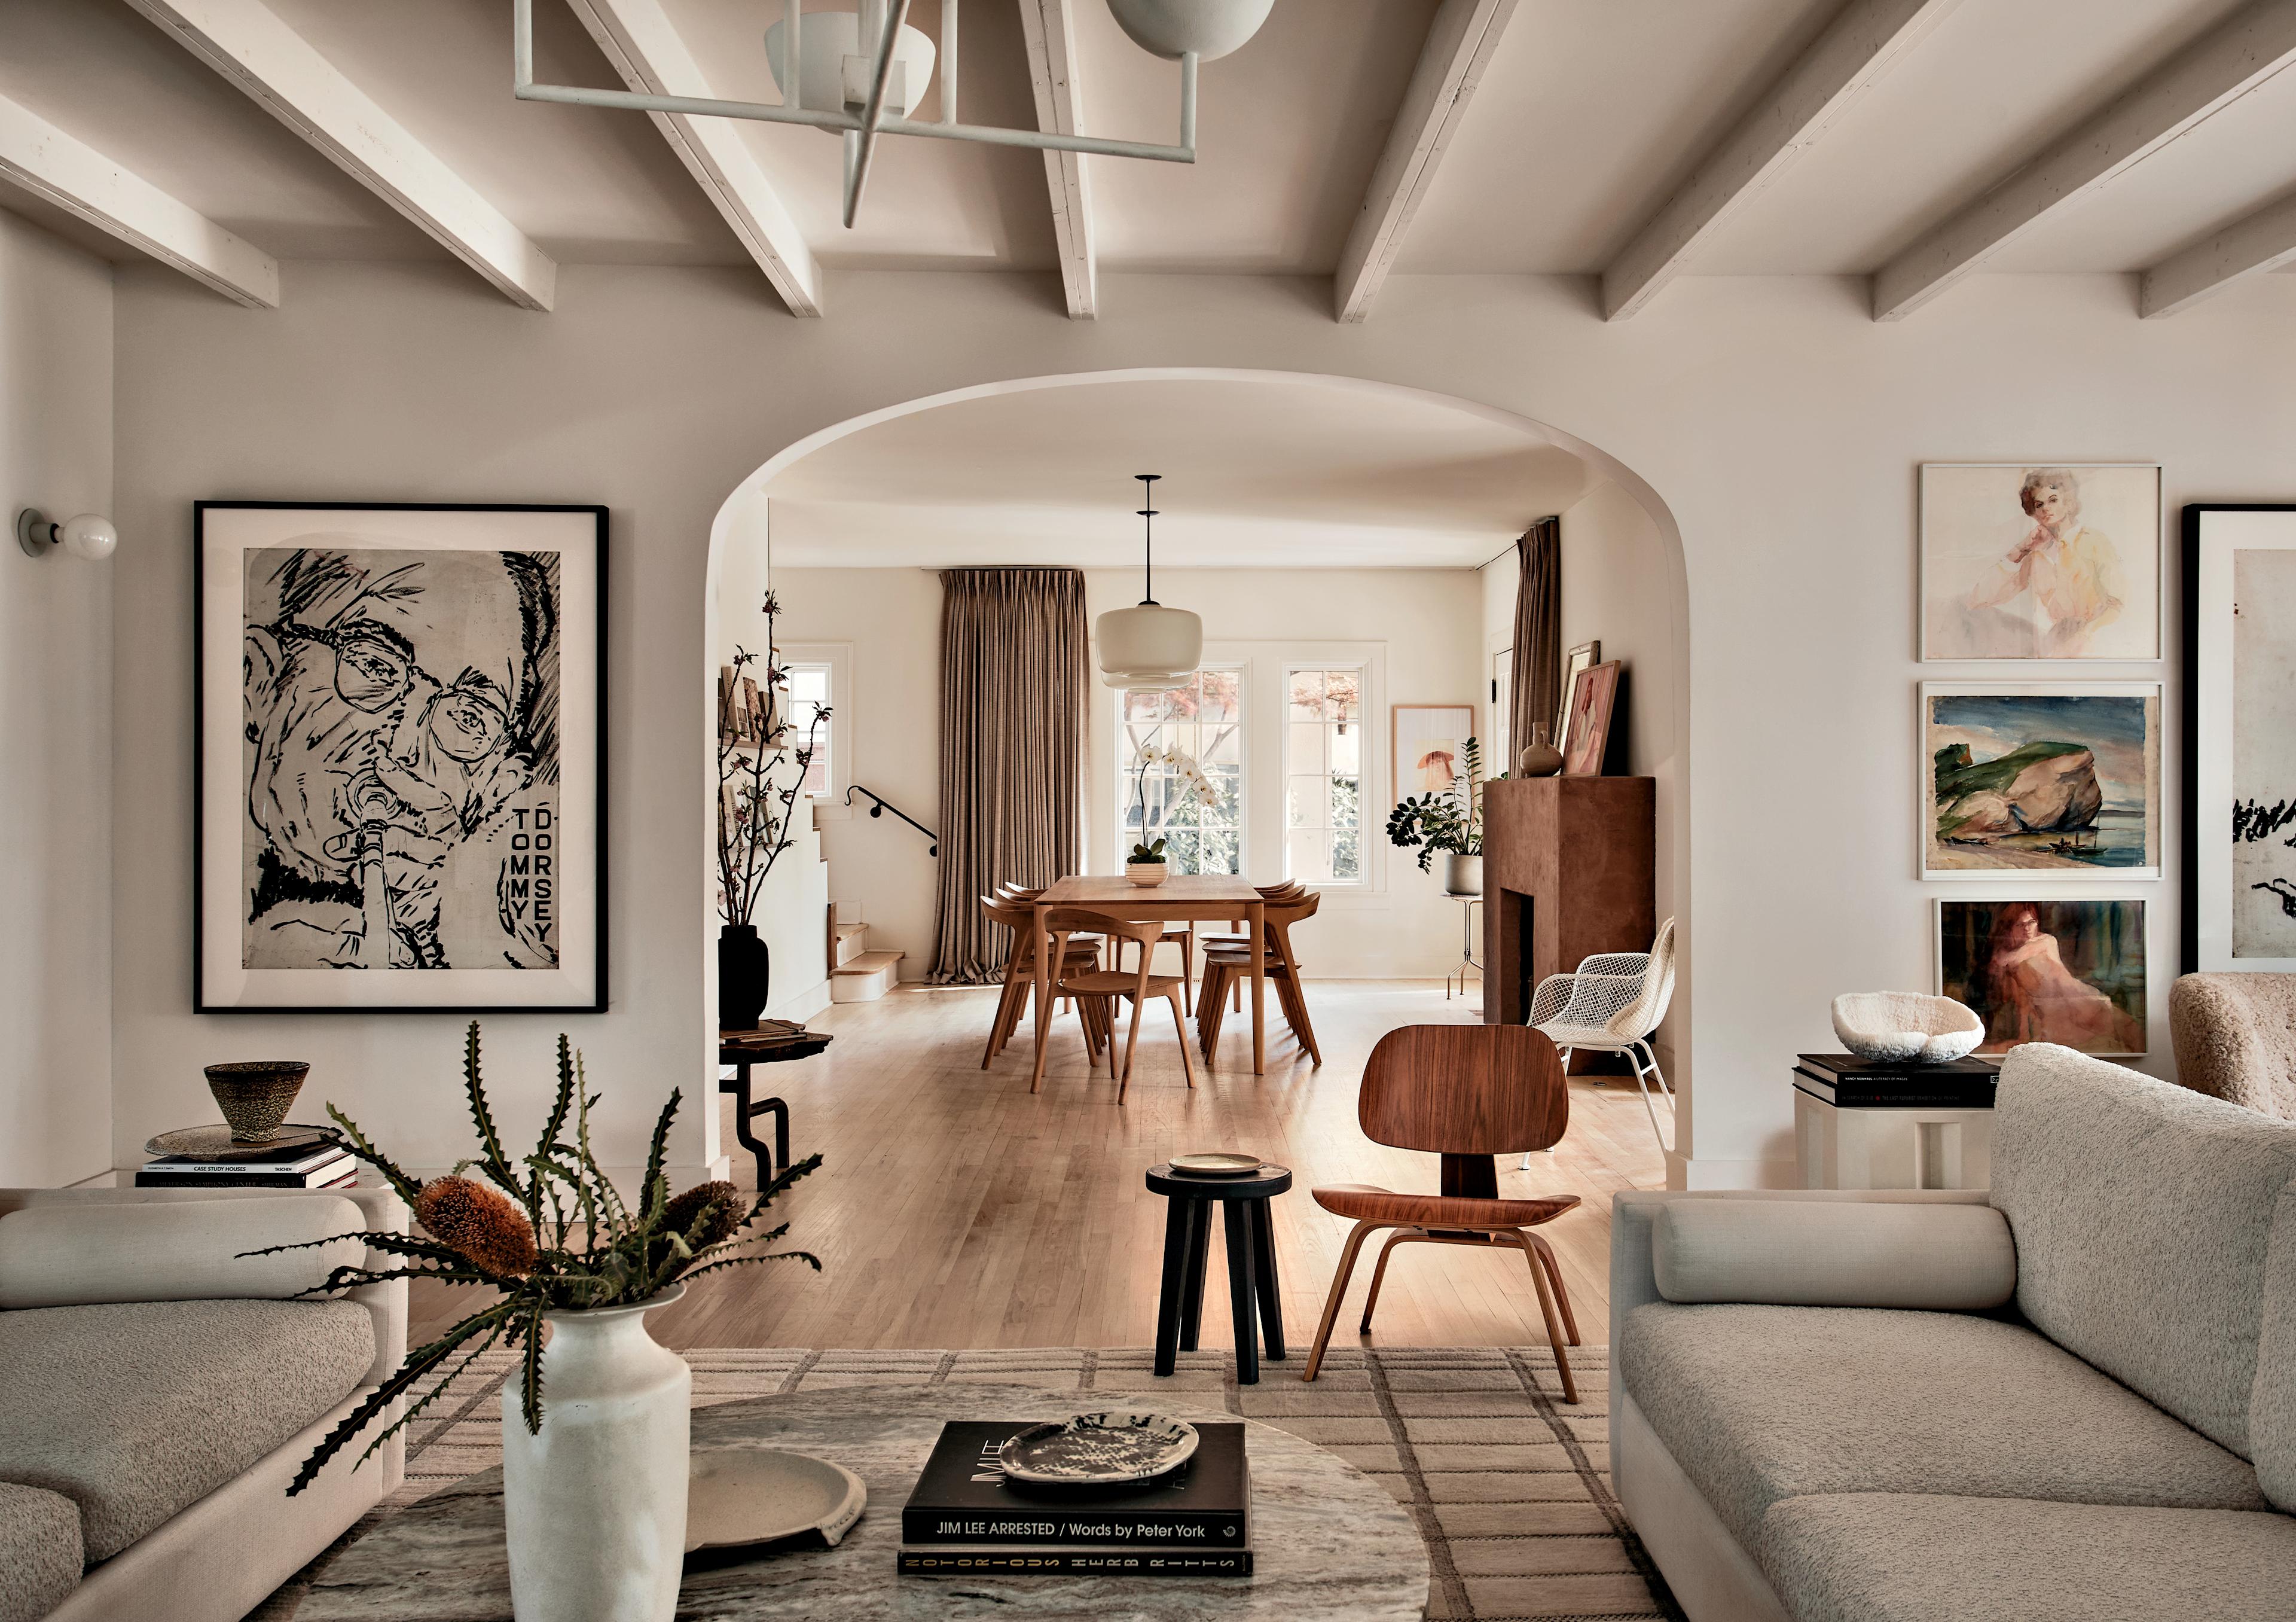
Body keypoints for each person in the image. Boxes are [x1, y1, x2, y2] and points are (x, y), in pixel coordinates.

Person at [1959, 468, 2126, 657]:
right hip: (2054, 645)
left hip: (2098, 641)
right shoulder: (2036, 553)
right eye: (2039, 504)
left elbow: (2117, 604)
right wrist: (2021, 549)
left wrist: (2085, 634)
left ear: (2069, 503)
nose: (2046, 509)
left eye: (2053, 500)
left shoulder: (2094, 541)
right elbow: (1980, 598)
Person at [1977, 903, 2143, 1053]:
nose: (2027, 929)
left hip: (2081, 1000)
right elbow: (2023, 1002)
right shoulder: (2015, 966)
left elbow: (2013, 957)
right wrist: (2024, 1033)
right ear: (2010, 929)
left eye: (2032, 922)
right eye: (2020, 924)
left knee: (2129, 1037)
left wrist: (1999, 958)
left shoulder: (2046, 941)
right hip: (2055, 1014)